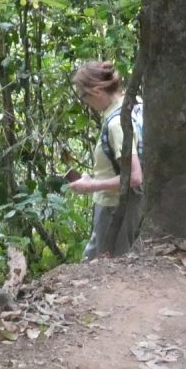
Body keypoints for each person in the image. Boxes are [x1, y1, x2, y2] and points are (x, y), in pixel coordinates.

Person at [69, 61, 143, 260]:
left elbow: (134, 178)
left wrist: (92, 185)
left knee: (108, 269)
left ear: (97, 91)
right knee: (92, 261)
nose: (85, 102)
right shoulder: (135, 103)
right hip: (126, 206)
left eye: (84, 96)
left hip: (115, 208)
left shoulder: (117, 124)